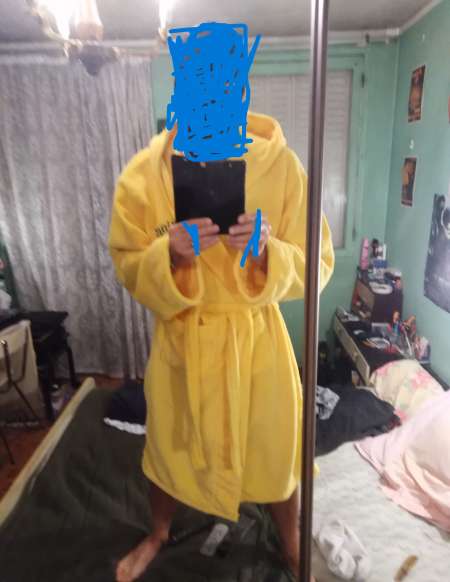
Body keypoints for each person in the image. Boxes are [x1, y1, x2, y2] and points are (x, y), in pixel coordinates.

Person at [108, 111, 335, 582]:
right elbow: (126, 262)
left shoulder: (281, 166)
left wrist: (268, 252)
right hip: (182, 339)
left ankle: (291, 541)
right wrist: (167, 254)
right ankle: (158, 533)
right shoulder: (145, 173)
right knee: (167, 445)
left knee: (275, 448)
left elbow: (319, 261)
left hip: (257, 342)